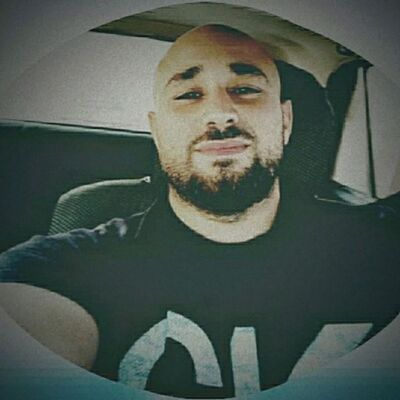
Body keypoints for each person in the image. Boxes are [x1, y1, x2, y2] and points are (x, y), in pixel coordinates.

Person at [0, 24, 399, 399]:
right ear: (158, 132)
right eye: (189, 94)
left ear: (285, 121)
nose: (220, 113)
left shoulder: (381, 248)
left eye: (245, 88)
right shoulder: (66, 268)